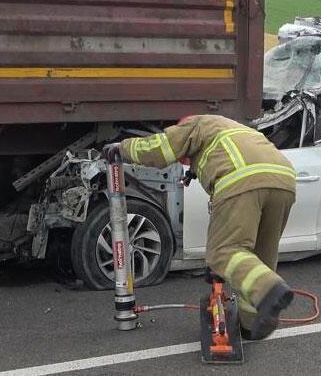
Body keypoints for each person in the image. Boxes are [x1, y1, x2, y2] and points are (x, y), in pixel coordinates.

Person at [104, 114, 297, 339]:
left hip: (242, 178)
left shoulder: (197, 124)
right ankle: (252, 324)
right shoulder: (237, 132)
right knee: (260, 256)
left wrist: (122, 148)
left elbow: (160, 148)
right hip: (284, 180)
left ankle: (268, 288)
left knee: (224, 252)